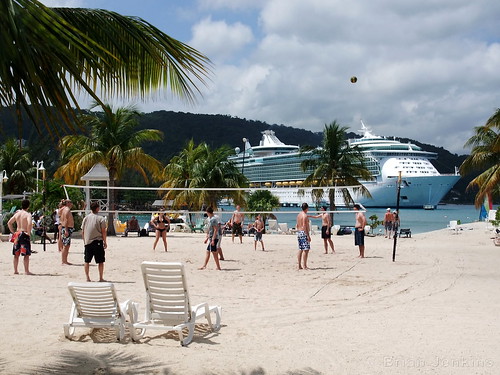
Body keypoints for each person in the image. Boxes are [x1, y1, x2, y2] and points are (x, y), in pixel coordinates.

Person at [81, 202, 107, 282]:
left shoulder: (86, 218)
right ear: (97, 208)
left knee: (87, 261)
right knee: (100, 261)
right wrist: (105, 241)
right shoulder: (100, 218)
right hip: (97, 241)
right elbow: (103, 231)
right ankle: (100, 278)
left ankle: (87, 278)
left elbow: (83, 231)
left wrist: (84, 240)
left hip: (88, 241)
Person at [8, 199, 34, 275]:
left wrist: (13, 232)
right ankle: (26, 271)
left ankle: (15, 270)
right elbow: (29, 223)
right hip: (24, 233)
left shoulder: (17, 214)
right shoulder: (27, 214)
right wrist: (28, 233)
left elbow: (9, 223)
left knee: (16, 254)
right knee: (26, 254)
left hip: (17, 233)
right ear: (28, 206)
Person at [296, 203, 311, 270]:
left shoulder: (299, 215)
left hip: (299, 232)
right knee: (306, 250)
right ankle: (304, 265)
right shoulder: (304, 216)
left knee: (300, 249)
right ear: (307, 208)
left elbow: (297, 224)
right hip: (303, 232)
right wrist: (308, 235)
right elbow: (304, 226)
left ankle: (299, 265)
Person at [60, 199, 74, 265]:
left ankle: (65, 260)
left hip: (67, 228)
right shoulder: (66, 210)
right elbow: (65, 220)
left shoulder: (63, 209)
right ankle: (64, 261)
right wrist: (66, 230)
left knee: (67, 245)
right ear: (68, 203)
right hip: (67, 228)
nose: (71, 203)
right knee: (65, 245)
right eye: (70, 202)